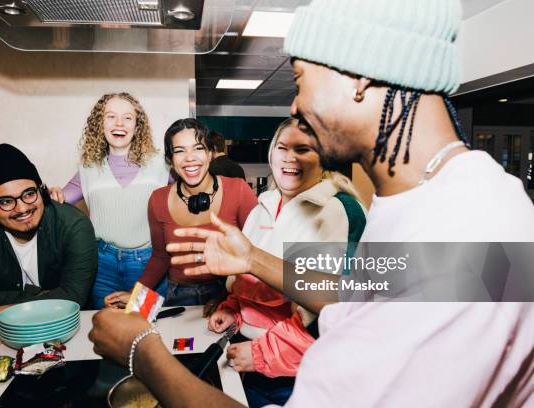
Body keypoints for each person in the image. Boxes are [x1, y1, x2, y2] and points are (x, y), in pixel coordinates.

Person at [89, 0, 534, 406]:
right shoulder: (429, 202)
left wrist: (142, 353)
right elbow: (357, 295)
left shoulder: (465, 231)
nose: (297, 108)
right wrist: (254, 259)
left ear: (359, 73)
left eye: (300, 79)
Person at [209, 118, 366, 407]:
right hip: (254, 366)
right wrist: (234, 312)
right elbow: (250, 281)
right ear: (271, 154)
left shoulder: (336, 211)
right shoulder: (263, 207)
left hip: (299, 374)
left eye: (303, 149)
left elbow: (330, 313)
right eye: (282, 147)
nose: (290, 157)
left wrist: (260, 353)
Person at [104, 118, 257, 307]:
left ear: (210, 154)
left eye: (198, 148)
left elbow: (257, 253)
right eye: (179, 151)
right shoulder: (158, 199)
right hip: (177, 293)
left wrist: (228, 299)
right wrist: (135, 294)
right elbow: (160, 257)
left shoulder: (238, 190)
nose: (190, 157)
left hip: (229, 291)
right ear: (170, 160)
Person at [0, 144, 96, 335]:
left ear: (41, 190)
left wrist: (2, 313)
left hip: (64, 332)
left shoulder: (73, 224)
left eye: (29, 194)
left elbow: (74, 296)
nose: (22, 209)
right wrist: (40, 294)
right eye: (6, 201)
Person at [50, 92, 169, 309]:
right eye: (111, 116)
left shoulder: (161, 164)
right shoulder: (88, 168)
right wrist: (53, 193)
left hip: (150, 265)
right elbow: (56, 202)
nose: (119, 123)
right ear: (100, 123)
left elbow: (188, 193)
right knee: (106, 331)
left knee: (147, 327)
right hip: (102, 265)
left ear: (137, 125)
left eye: (128, 117)